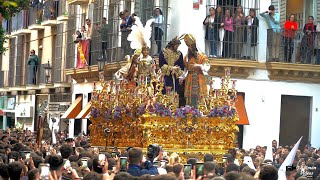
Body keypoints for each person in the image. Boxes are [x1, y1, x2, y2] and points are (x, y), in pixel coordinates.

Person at [179, 34, 210, 108]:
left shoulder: (202, 56)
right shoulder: (186, 57)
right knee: (190, 98)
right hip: (190, 80)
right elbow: (185, 70)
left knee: (199, 98)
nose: (189, 49)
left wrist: (199, 66)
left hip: (199, 78)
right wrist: (182, 77)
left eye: (191, 47)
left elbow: (207, 66)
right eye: (188, 47)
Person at [159, 37, 185, 106]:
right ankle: (165, 108)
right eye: (176, 45)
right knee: (165, 92)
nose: (177, 47)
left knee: (175, 93)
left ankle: (174, 107)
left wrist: (176, 70)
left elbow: (181, 67)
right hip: (166, 77)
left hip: (175, 78)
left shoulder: (179, 54)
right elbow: (161, 65)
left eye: (178, 46)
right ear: (172, 45)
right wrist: (170, 68)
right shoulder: (163, 52)